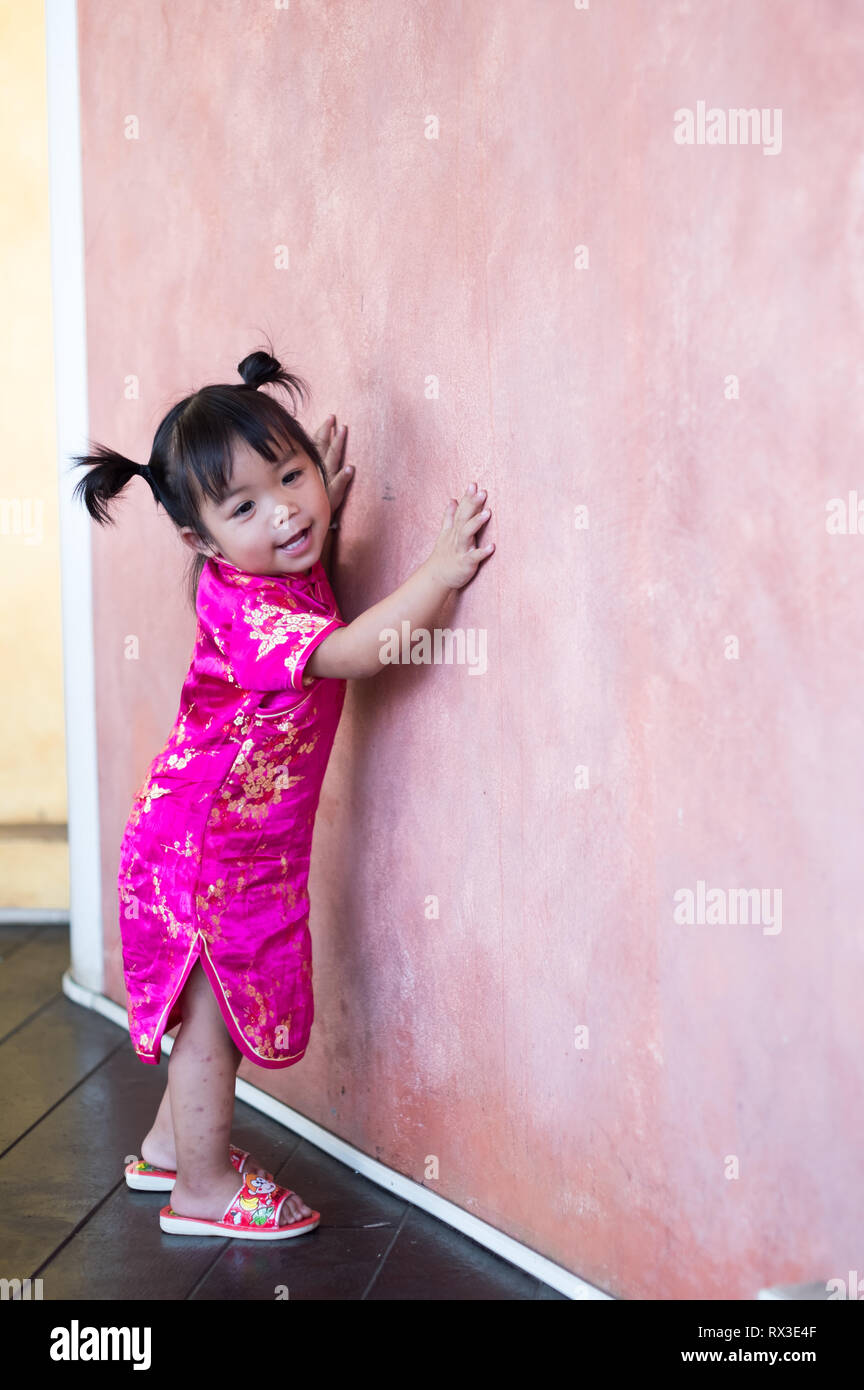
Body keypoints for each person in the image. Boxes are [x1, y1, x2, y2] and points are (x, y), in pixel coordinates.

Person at [70, 342, 495, 1241]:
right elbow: (347, 650)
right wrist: (436, 574)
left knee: (205, 1011)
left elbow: (306, 571)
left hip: (212, 838)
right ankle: (204, 1189)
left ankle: (167, 1149)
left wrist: (320, 512)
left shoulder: (268, 571)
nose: (286, 512)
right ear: (200, 539)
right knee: (216, 1019)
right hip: (205, 851)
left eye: (293, 474)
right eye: (246, 506)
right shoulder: (248, 606)